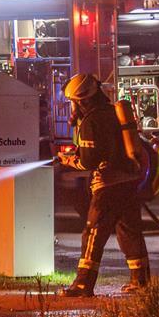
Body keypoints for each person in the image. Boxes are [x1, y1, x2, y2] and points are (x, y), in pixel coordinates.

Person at [57, 73, 150, 296]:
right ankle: (141, 281)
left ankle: (83, 284)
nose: (73, 107)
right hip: (128, 183)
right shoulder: (112, 113)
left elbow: (89, 160)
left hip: (108, 185)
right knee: (129, 231)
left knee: (93, 233)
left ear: (83, 100)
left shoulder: (92, 120)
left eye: (74, 102)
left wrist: (69, 161)